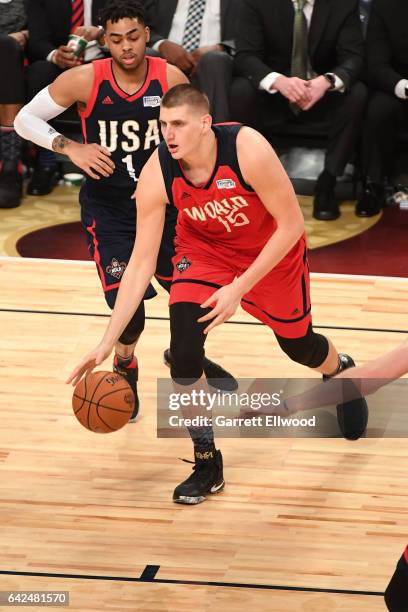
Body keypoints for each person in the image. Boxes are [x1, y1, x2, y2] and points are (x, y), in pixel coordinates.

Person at [66, 83, 368, 505]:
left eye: (178, 124)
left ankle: (340, 370)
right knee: (185, 352)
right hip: (204, 252)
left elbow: (292, 226)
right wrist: (104, 342)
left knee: (300, 346)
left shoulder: (247, 149)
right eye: (163, 125)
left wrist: (239, 288)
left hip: (269, 253)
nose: (168, 134)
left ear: (205, 124)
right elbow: (140, 262)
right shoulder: (159, 170)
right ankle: (207, 461)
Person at [15, 1, 235, 422]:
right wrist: (70, 147)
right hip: (111, 211)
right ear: (105, 39)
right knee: (129, 317)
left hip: (166, 210)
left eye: (133, 36)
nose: (125, 46)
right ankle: (125, 362)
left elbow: (196, 132)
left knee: (199, 305)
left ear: (147, 34)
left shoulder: (168, 77)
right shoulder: (84, 79)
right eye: (115, 39)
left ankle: (184, 356)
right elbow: (26, 119)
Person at [231, 0, 367, 221]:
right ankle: (253, 181)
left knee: (357, 93)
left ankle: (328, 182)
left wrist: (327, 81)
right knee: (240, 90)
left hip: (320, 92)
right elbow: (246, 56)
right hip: (274, 94)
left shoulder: (342, 4)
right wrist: (278, 82)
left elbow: (354, 56)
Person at [25, 0, 108, 196]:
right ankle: (45, 160)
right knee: (39, 71)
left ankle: (106, 156)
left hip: (104, 56)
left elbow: (129, 25)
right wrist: (55, 55)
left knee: (118, 72)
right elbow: (37, 41)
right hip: (60, 61)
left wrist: (100, 32)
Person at [143, 0, 239, 122]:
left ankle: (215, 134)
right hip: (165, 59)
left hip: (213, 66)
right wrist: (161, 44)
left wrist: (221, 47)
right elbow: (137, 23)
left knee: (214, 59)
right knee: (147, 55)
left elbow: (250, 33)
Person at [357, 0, 408, 217]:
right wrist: (403, 86)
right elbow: (376, 64)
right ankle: (373, 184)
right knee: (378, 109)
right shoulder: (388, 6)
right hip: (399, 83)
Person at [0, 0, 28, 208]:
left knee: (6, 47)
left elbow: (45, 29)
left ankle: (10, 165)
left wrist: (27, 34)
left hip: (16, 57)